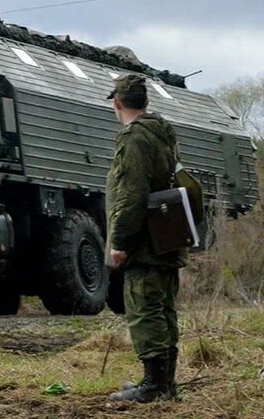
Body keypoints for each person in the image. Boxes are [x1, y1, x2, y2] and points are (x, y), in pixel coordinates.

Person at [105, 74, 186, 403]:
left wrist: (120, 241)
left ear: (118, 103)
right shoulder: (163, 132)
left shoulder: (134, 138)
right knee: (163, 309)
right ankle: (164, 383)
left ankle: (154, 387)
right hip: (166, 231)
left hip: (144, 240)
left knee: (144, 310)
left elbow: (132, 195)